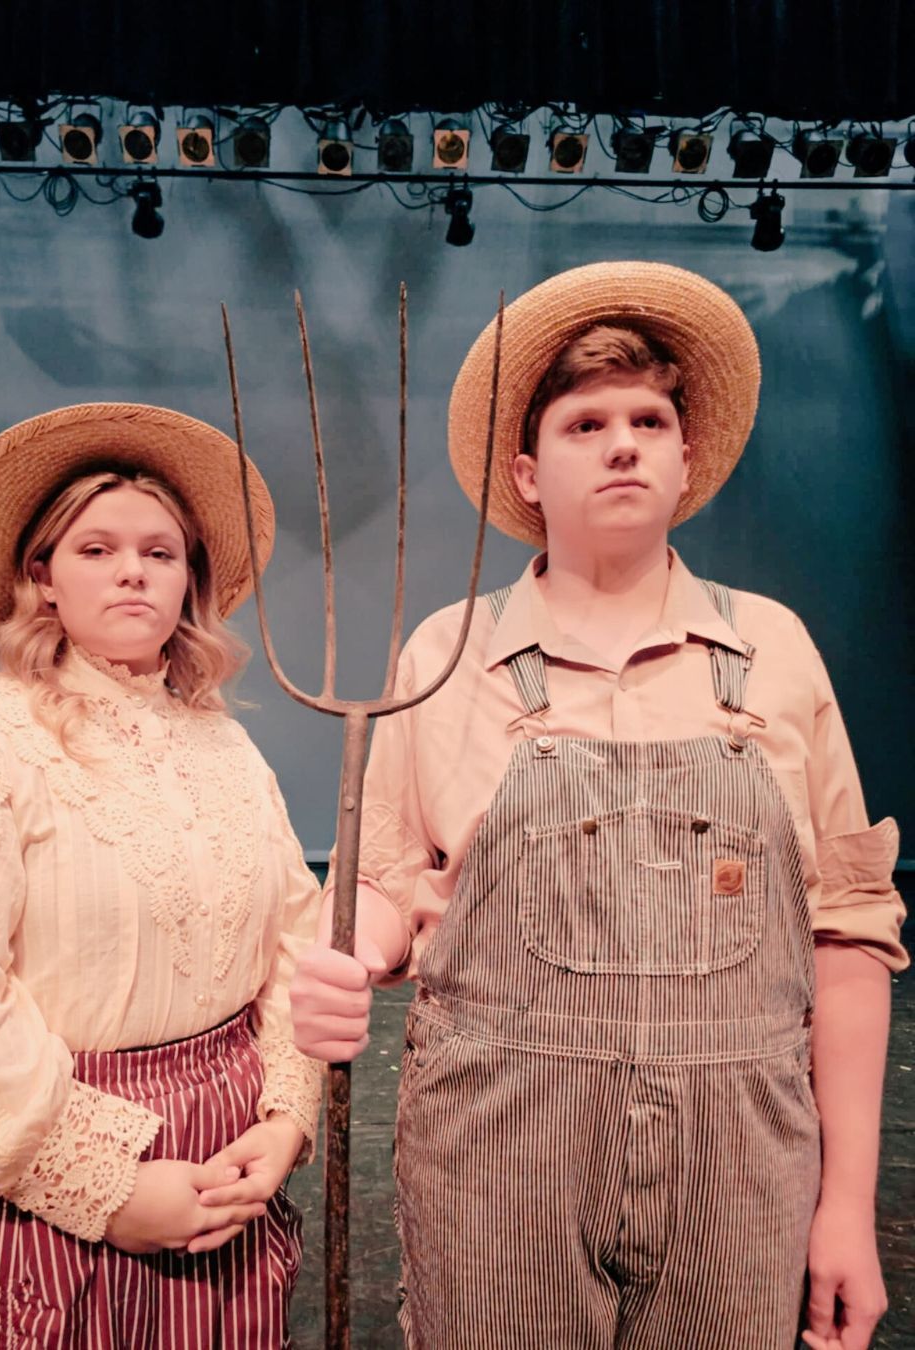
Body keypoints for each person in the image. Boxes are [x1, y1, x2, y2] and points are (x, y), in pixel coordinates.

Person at [290, 263, 908, 1350]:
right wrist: (345, 961)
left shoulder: (775, 650)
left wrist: (848, 1210)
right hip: (501, 1139)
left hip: (742, 1151)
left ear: (683, 457)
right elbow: (387, 882)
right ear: (528, 472)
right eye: (585, 424)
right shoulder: (448, 653)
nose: (623, 442)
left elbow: (847, 939)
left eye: (649, 419)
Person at [0, 401, 323, 1349]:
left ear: (189, 580)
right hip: (23, 1177)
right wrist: (105, 1186)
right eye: (96, 549)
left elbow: (296, 942)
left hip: (220, 1164)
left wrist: (283, 1124)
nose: (133, 572)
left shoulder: (223, 745)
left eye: (160, 552)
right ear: (43, 579)